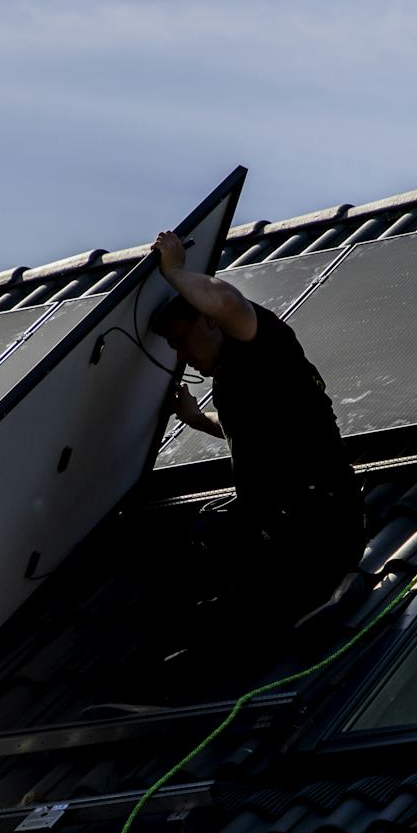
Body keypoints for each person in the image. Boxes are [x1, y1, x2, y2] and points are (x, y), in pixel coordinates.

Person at [149, 230, 366, 638]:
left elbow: (228, 302)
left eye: (181, 340)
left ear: (209, 320)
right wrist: (197, 420)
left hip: (320, 525)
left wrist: (175, 272)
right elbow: (257, 432)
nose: (181, 355)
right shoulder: (232, 383)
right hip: (282, 527)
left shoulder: (262, 346)